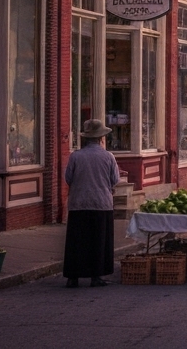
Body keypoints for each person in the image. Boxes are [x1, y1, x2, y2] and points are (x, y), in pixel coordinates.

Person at [63, 119, 120, 288]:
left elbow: (68, 178)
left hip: (79, 203)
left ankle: (73, 277)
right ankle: (96, 276)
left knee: (77, 241)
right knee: (99, 240)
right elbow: (115, 179)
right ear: (102, 138)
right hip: (101, 203)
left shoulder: (75, 156)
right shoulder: (108, 157)